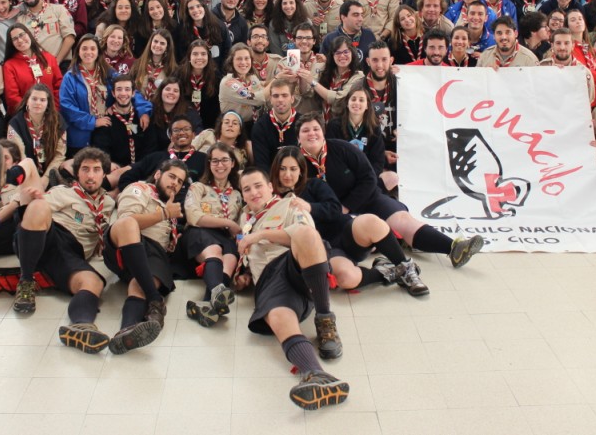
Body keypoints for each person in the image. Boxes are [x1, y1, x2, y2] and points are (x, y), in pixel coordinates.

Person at [296, 112, 484, 271]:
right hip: (332, 216)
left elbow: (369, 178)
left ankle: (454, 248)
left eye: (316, 129)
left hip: (365, 199)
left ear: (323, 132)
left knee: (402, 220)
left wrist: (347, 205)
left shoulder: (342, 149)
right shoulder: (294, 162)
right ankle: (393, 245)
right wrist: (336, 211)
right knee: (363, 237)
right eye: (306, 130)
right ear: (298, 137)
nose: (312, 134)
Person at [235, 167, 350, 410]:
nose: (253, 192)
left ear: (270, 187)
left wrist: (259, 235)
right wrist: (243, 275)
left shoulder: (291, 204)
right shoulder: (244, 218)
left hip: (294, 265)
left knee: (307, 234)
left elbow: (303, 235)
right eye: (247, 189)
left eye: (258, 186)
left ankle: (325, 318)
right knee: (277, 318)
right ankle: (316, 375)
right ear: (242, 195)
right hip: (268, 281)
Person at [271, 147, 426, 296]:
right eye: (283, 168)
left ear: (301, 170)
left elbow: (335, 208)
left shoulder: (314, 185)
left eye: (293, 169)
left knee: (371, 221)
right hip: (325, 249)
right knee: (346, 278)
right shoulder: (273, 198)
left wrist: (310, 207)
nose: (287, 174)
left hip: (345, 232)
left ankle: (406, 268)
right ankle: (387, 272)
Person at [9, 147, 115, 353]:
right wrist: (26, 201)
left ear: (104, 174)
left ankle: (80, 326)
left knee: (93, 283)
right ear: (77, 173)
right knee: (39, 205)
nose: (90, 175)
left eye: (96, 169)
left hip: (71, 254)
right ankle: (26, 281)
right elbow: (31, 216)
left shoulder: (109, 203)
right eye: (85, 169)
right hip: (49, 236)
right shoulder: (63, 192)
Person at [102, 160, 188, 353]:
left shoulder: (171, 205)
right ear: (158, 175)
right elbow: (126, 219)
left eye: (180, 181)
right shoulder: (139, 189)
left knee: (139, 282)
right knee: (128, 223)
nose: (175, 183)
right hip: (125, 242)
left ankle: (126, 332)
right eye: (171, 176)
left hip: (154, 253)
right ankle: (155, 300)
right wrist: (165, 213)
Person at [180, 142, 243, 327]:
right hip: (199, 232)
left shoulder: (238, 194)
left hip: (226, 237)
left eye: (224, 160)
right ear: (209, 164)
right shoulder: (198, 187)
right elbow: (194, 217)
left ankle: (207, 304)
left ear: (232, 163)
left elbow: (240, 226)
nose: (220, 165)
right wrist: (228, 223)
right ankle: (216, 292)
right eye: (214, 160)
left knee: (231, 257)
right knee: (215, 249)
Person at [7, 84, 68, 188]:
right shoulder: (16, 123)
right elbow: (20, 155)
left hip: (50, 171)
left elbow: (60, 154)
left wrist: (46, 178)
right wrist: (34, 178)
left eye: (42, 100)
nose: (38, 103)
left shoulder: (58, 121)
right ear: (27, 101)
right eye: (34, 99)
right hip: (25, 171)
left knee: (68, 167)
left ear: (48, 103)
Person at [92, 76, 156, 173]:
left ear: (133, 93)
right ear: (113, 93)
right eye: (119, 89)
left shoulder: (142, 117)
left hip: (141, 169)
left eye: (127, 89)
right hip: (115, 170)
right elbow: (100, 148)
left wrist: (141, 167)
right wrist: (108, 163)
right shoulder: (105, 120)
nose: (123, 93)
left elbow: (150, 146)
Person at [2, 23, 62, 115]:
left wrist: (53, 109)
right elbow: (12, 97)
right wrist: (33, 111)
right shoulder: (9, 65)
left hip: (51, 113)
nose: (20, 40)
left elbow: (59, 86)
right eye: (14, 39)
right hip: (24, 115)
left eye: (22, 35)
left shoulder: (49, 58)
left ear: (29, 34)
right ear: (12, 44)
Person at [16, 0, 76, 65]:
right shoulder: (21, 20)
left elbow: (70, 38)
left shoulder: (58, 9)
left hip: (60, 63)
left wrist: (57, 62)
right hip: (35, 65)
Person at [539, 27, 596, 106]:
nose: (562, 47)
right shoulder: (541, 68)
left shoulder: (583, 73)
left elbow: (588, 100)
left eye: (566, 43)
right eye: (558, 43)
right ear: (552, 45)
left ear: (573, 45)